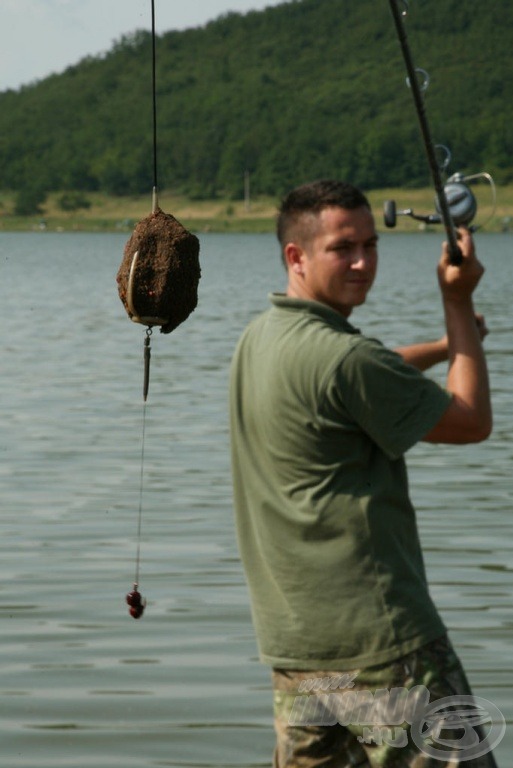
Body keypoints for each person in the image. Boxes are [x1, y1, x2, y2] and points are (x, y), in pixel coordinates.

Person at [229, 180, 498, 767]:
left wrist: (445, 348)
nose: (362, 262)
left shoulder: (262, 338)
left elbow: (362, 371)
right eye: (342, 248)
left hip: (299, 653)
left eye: (371, 244)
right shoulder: (344, 360)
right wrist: (455, 305)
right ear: (295, 256)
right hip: (386, 650)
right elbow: (471, 421)